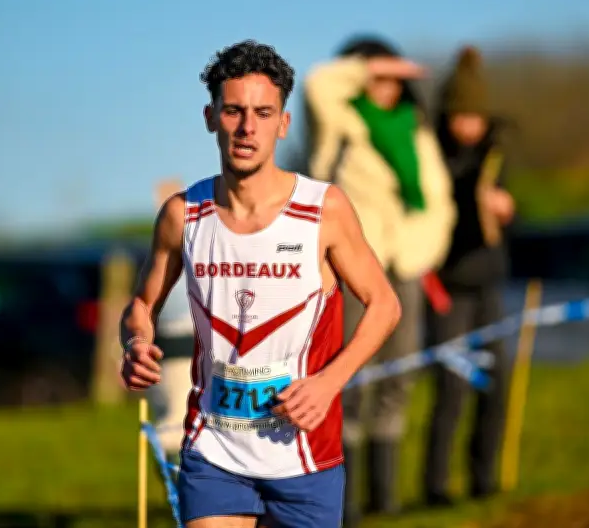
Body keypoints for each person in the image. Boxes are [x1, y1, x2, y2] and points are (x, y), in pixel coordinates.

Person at [119, 40, 402, 528]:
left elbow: (384, 305)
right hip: (215, 449)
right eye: (234, 111)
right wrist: (137, 342)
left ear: (283, 123)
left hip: (304, 454)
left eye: (263, 113)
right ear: (211, 117)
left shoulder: (322, 210)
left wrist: (329, 383)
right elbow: (142, 304)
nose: (248, 128)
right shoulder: (183, 215)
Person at [304, 35, 457, 524]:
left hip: (405, 268)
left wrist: (418, 253)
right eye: (380, 76)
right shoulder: (341, 119)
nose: (389, 86)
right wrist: (365, 67)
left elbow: (438, 200)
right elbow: (316, 82)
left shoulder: (417, 130)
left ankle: (384, 497)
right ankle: (343, 501)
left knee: (401, 372)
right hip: (352, 269)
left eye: (396, 78)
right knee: (348, 375)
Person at [422, 45, 516, 506]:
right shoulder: (431, 155)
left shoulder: (497, 153)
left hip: (488, 284)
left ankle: (484, 478)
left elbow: (508, 207)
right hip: (446, 288)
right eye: (462, 116)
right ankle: (436, 486)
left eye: (476, 117)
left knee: (497, 384)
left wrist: (506, 207)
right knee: (452, 389)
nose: (470, 126)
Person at [143, 180, 196, 466]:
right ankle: (180, 494)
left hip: (185, 345)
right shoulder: (166, 252)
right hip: (172, 345)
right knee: (174, 428)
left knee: (174, 427)